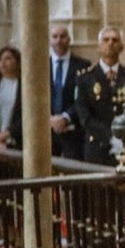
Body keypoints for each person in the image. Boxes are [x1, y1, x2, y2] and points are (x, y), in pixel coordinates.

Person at [74, 27, 125, 166]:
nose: (110, 43)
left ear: (121, 47)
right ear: (98, 47)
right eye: (106, 40)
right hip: (98, 149)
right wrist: (111, 137)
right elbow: (85, 116)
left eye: (115, 40)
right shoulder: (85, 79)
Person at [47, 24, 91, 159]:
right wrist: (49, 119)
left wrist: (66, 117)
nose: (59, 40)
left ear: (69, 39)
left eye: (62, 36)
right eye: (55, 37)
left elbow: (85, 97)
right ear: (49, 40)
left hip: (74, 131)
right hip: (46, 133)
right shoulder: (40, 66)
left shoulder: (83, 65)